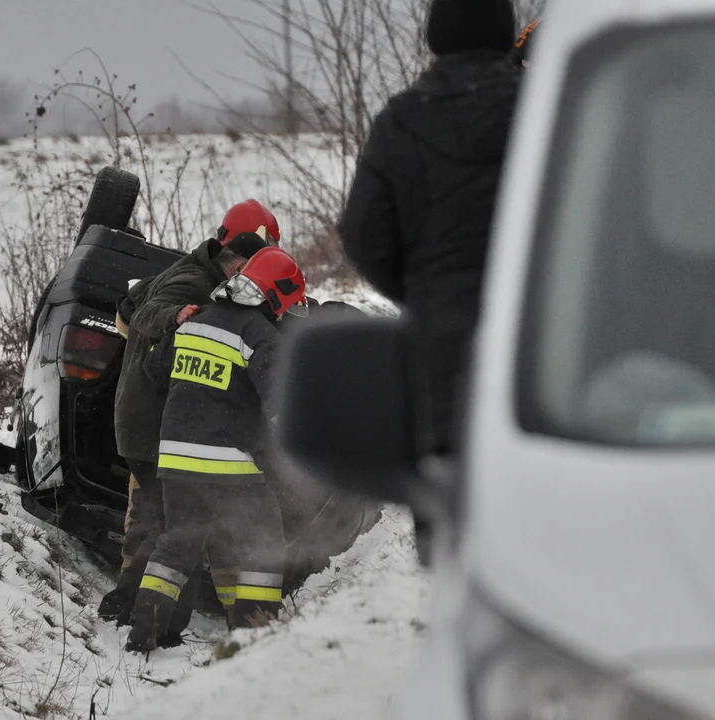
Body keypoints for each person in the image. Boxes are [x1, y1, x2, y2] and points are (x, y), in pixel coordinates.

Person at [336, 0, 522, 567]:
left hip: (441, 355)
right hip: (549, 342)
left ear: (435, 33)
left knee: (451, 528)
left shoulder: (403, 119)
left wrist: (425, 292)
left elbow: (365, 235)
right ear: (506, 30)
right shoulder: (546, 105)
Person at [97, 200, 280, 629]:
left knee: (162, 517)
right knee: (167, 523)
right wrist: (174, 317)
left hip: (162, 423)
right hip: (154, 425)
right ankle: (138, 610)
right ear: (240, 255)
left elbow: (125, 308)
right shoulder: (193, 281)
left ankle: (136, 607)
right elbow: (142, 315)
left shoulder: (202, 276)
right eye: (259, 260)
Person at [125, 245, 309, 653]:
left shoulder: (194, 320)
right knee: (263, 543)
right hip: (229, 465)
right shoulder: (260, 336)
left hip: (175, 460)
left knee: (179, 543)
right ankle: (256, 637)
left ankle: (143, 636)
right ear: (274, 295)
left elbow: (155, 370)